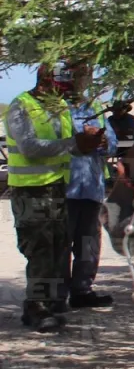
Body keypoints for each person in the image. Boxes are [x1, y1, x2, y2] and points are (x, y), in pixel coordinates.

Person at [5, 62, 105, 332]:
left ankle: (49, 303)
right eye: (62, 82)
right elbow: (30, 147)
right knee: (39, 250)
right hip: (30, 191)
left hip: (57, 189)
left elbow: (68, 148)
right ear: (46, 80)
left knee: (57, 247)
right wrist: (73, 143)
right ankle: (36, 308)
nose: (66, 89)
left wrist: (88, 142)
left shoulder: (58, 109)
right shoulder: (21, 105)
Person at [63, 67, 116, 308]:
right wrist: (81, 137)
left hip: (91, 189)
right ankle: (56, 295)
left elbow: (113, 145)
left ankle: (82, 291)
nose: (82, 81)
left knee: (88, 244)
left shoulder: (95, 107)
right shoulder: (55, 108)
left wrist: (103, 140)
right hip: (64, 189)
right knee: (61, 244)